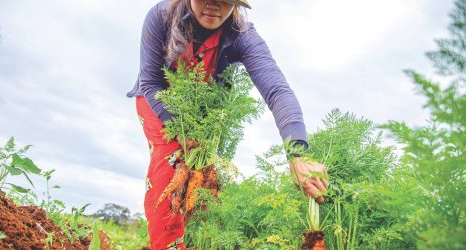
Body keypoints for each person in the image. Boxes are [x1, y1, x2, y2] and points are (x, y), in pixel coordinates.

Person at [126, 0, 328, 249]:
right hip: (158, 101)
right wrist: (179, 130)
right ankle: (166, 244)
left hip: (204, 110)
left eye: (225, 0)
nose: (214, 5)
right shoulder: (161, 16)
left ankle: (197, 241)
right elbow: (151, 82)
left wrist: (298, 153)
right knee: (170, 168)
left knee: (203, 181)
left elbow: (277, 90)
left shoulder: (242, 35)